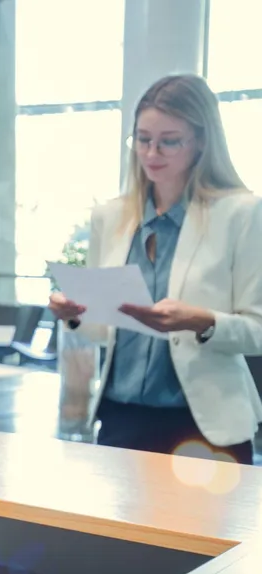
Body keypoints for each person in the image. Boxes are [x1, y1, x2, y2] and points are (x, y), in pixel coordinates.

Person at [49, 74, 262, 465]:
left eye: (169, 140)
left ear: (201, 141)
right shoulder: (110, 216)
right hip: (120, 418)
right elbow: (107, 330)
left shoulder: (242, 214)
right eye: (143, 138)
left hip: (205, 428)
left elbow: (258, 330)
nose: (151, 152)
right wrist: (75, 316)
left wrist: (200, 321)